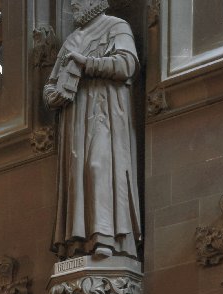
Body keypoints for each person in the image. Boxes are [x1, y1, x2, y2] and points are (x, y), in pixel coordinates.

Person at [43, 0, 141, 261]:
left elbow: (127, 65)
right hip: (74, 120)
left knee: (99, 166)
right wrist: (53, 95)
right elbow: (51, 83)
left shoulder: (116, 26)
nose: (73, 4)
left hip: (104, 112)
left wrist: (87, 63)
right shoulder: (72, 39)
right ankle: (77, 242)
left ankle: (106, 236)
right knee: (77, 174)